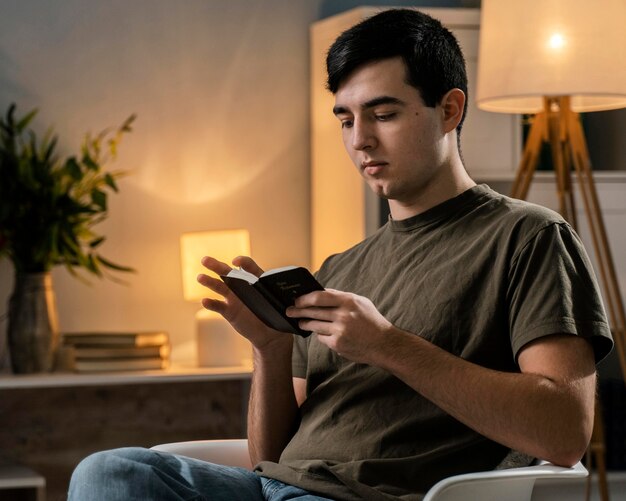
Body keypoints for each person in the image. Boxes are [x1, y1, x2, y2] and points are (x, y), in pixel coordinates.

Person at [68, 8, 613, 501]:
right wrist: (271, 348)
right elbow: (269, 461)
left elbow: (564, 433)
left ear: (449, 110)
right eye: (347, 120)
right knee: (107, 472)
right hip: (273, 492)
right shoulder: (338, 269)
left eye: (383, 114)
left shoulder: (530, 237)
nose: (360, 141)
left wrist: (388, 345)